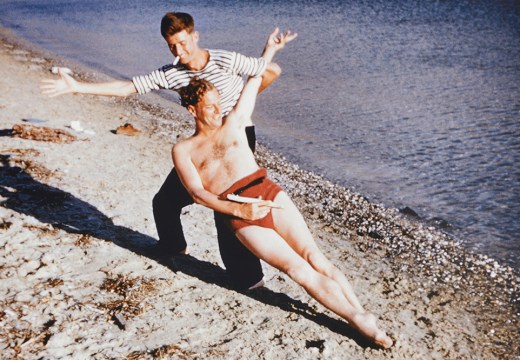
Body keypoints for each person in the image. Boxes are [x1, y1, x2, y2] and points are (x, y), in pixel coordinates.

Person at [172, 31, 394, 349]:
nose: (217, 111)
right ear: (192, 109)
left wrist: (269, 51)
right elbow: (197, 194)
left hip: (267, 192)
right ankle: (357, 320)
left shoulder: (234, 122)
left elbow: (253, 81)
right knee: (296, 268)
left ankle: (360, 313)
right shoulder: (184, 150)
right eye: (209, 107)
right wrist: (240, 210)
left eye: (218, 104)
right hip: (240, 212)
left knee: (314, 256)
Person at [40, 12, 287, 289]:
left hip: (237, 138)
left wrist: (268, 54)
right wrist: (77, 87)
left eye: (183, 43)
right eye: (172, 46)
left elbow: (262, 70)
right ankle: (173, 248)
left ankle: (251, 280)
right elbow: (127, 88)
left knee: (226, 210)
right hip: (203, 144)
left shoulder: (224, 59)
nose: (179, 52)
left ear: (195, 36)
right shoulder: (172, 73)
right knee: (165, 202)